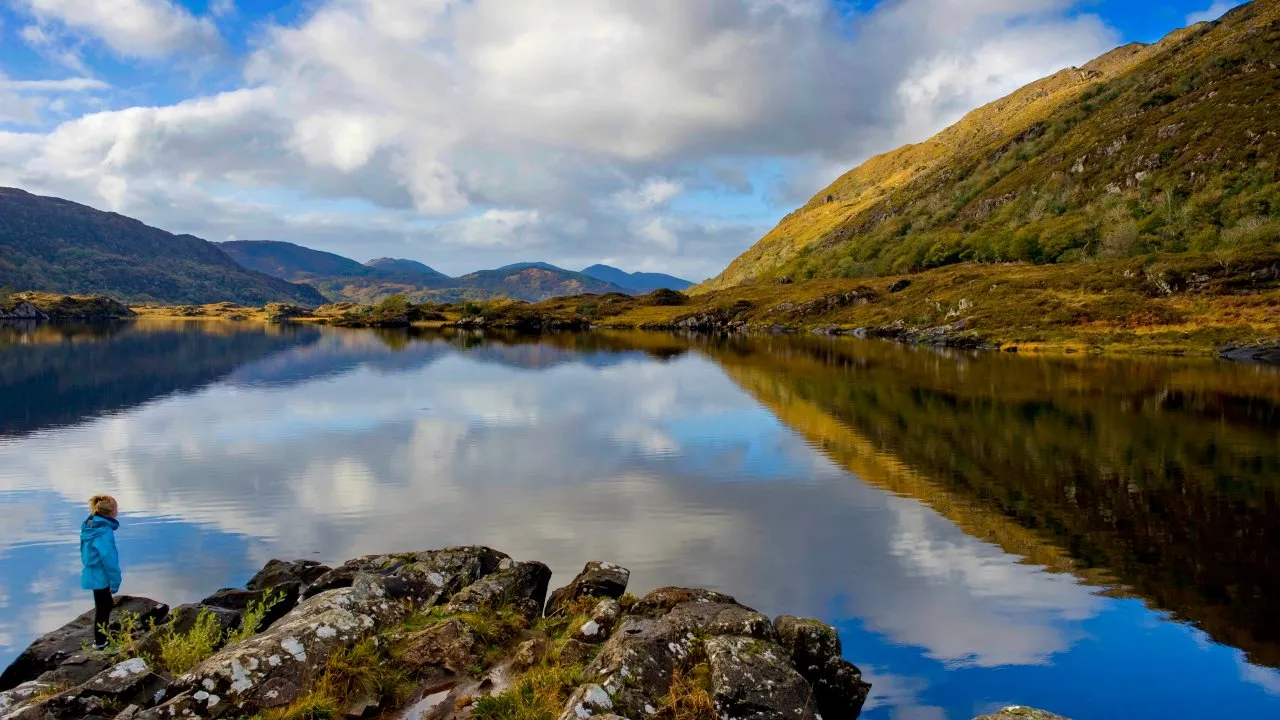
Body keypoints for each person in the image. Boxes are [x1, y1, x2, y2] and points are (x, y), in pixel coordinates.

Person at [80, 495, 122, 650]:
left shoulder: (89, 525)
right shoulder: (104, 531)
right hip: (101, 574)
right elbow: (108, 558)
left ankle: (102, 638)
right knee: (103, 607)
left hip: (92, 571)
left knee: (105, 604)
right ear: (112, 513)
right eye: (117, 509)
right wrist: (115, 580)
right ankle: (101, 643)